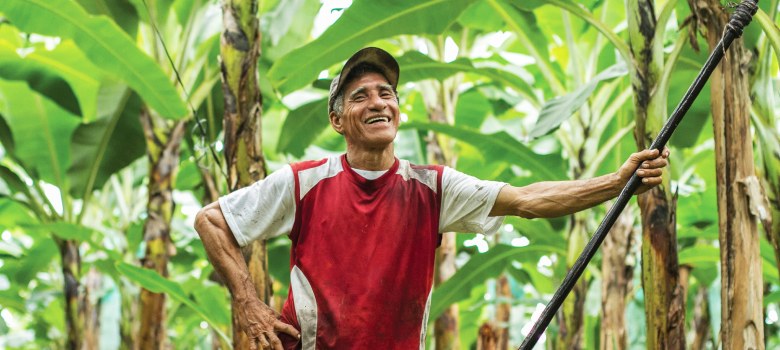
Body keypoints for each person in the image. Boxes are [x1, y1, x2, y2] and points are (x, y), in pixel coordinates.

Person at [194, 47, 669, 350]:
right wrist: (247, 301)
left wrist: (616, 182)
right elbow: (211, 220)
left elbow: (527, 199)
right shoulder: (304, 182)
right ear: (338, 120)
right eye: (361, 96)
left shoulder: (433, 187)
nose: (379, 102)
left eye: (387, 93)